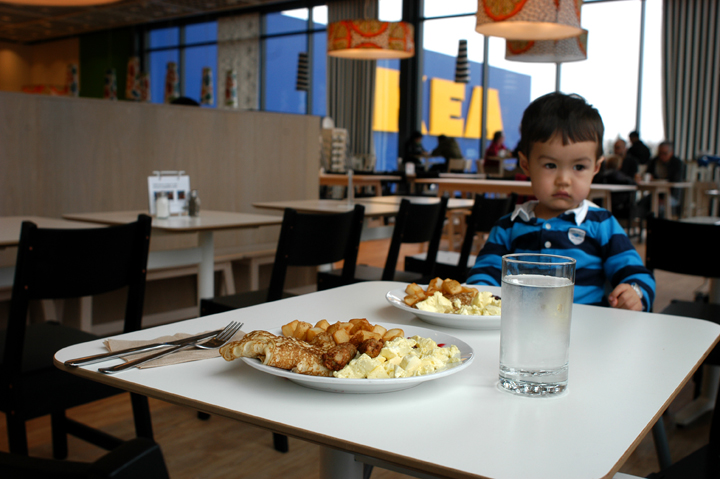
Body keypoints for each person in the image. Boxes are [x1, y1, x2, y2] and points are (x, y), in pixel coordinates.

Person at [466, 92, 655, 312]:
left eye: (578, 167)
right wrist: (479, 294)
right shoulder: (508, 226)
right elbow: (483, 274)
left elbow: (636, 273)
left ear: (596, 167)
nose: (563, 180)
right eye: (550, 165)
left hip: (585, 333)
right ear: (525, 164)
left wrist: (636, 292)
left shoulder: (602, 224)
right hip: (518, 331)